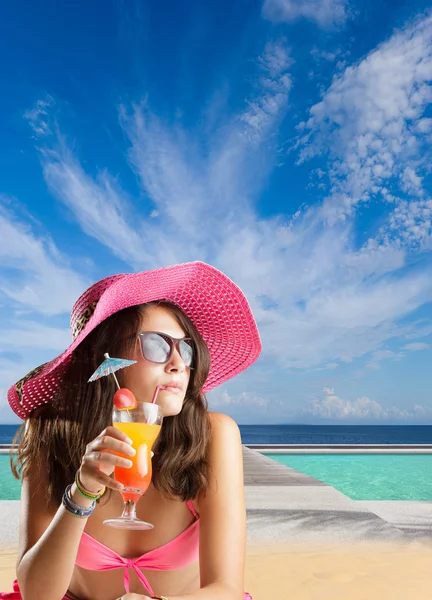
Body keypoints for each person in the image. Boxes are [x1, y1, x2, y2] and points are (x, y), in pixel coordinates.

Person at [1, 261, 261, 600]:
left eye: (186, 348)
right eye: (156, 344)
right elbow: (37, 594)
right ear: (103, 355)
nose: (178, 363)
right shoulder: (50, 433)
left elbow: (226, 589)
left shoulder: (214, 436)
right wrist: (82, 491)